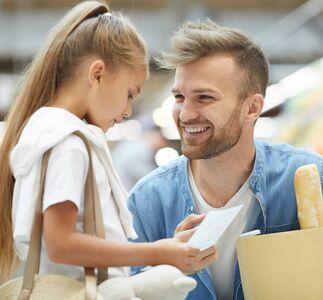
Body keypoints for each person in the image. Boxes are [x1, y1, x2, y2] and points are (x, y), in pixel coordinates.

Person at [128, 20, 323, 300]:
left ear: (253, 107)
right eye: (180, 97)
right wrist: (163, 272)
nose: (185, 114)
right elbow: (122, 292)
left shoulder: (312, 178)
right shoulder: (148, 201)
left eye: (204, 98)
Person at [0, 1, 216, 285]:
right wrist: (154, 253)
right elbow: (61, 244)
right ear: (97, 74)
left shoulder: (48, 133)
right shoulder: (68, 142)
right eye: (130, 93)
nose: (128, 110)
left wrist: (166, 250)